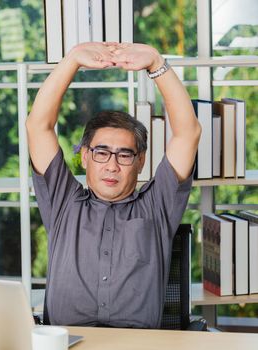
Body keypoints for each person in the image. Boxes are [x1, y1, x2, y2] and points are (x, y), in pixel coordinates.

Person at [26, 42, 201, 328]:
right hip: (68, 343)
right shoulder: (63, 203)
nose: (111, 165)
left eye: (125, 155)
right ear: (84, 156)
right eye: (102, 152)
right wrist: (72, 60)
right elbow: (38, 125)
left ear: (141, 161)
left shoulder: (157, 207)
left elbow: (188, 132)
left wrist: (157, 63)